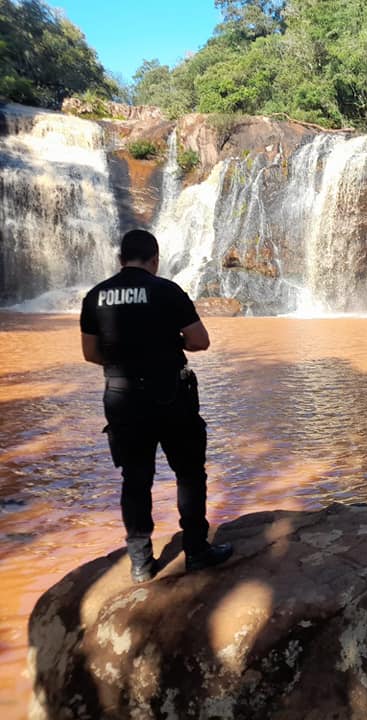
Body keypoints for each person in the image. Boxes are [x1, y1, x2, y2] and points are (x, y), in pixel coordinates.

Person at [80, 229, 233, 583]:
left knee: (135, 479)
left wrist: (126, 356)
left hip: (122, 399)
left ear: (120, 260)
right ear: (154, 260)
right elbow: (199, 340)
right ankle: (196, 550)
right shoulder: (166, 290)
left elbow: (90, 353)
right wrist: (168, 343)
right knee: (189, 474)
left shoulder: (96, 296)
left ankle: (140, 564)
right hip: (170, 396)